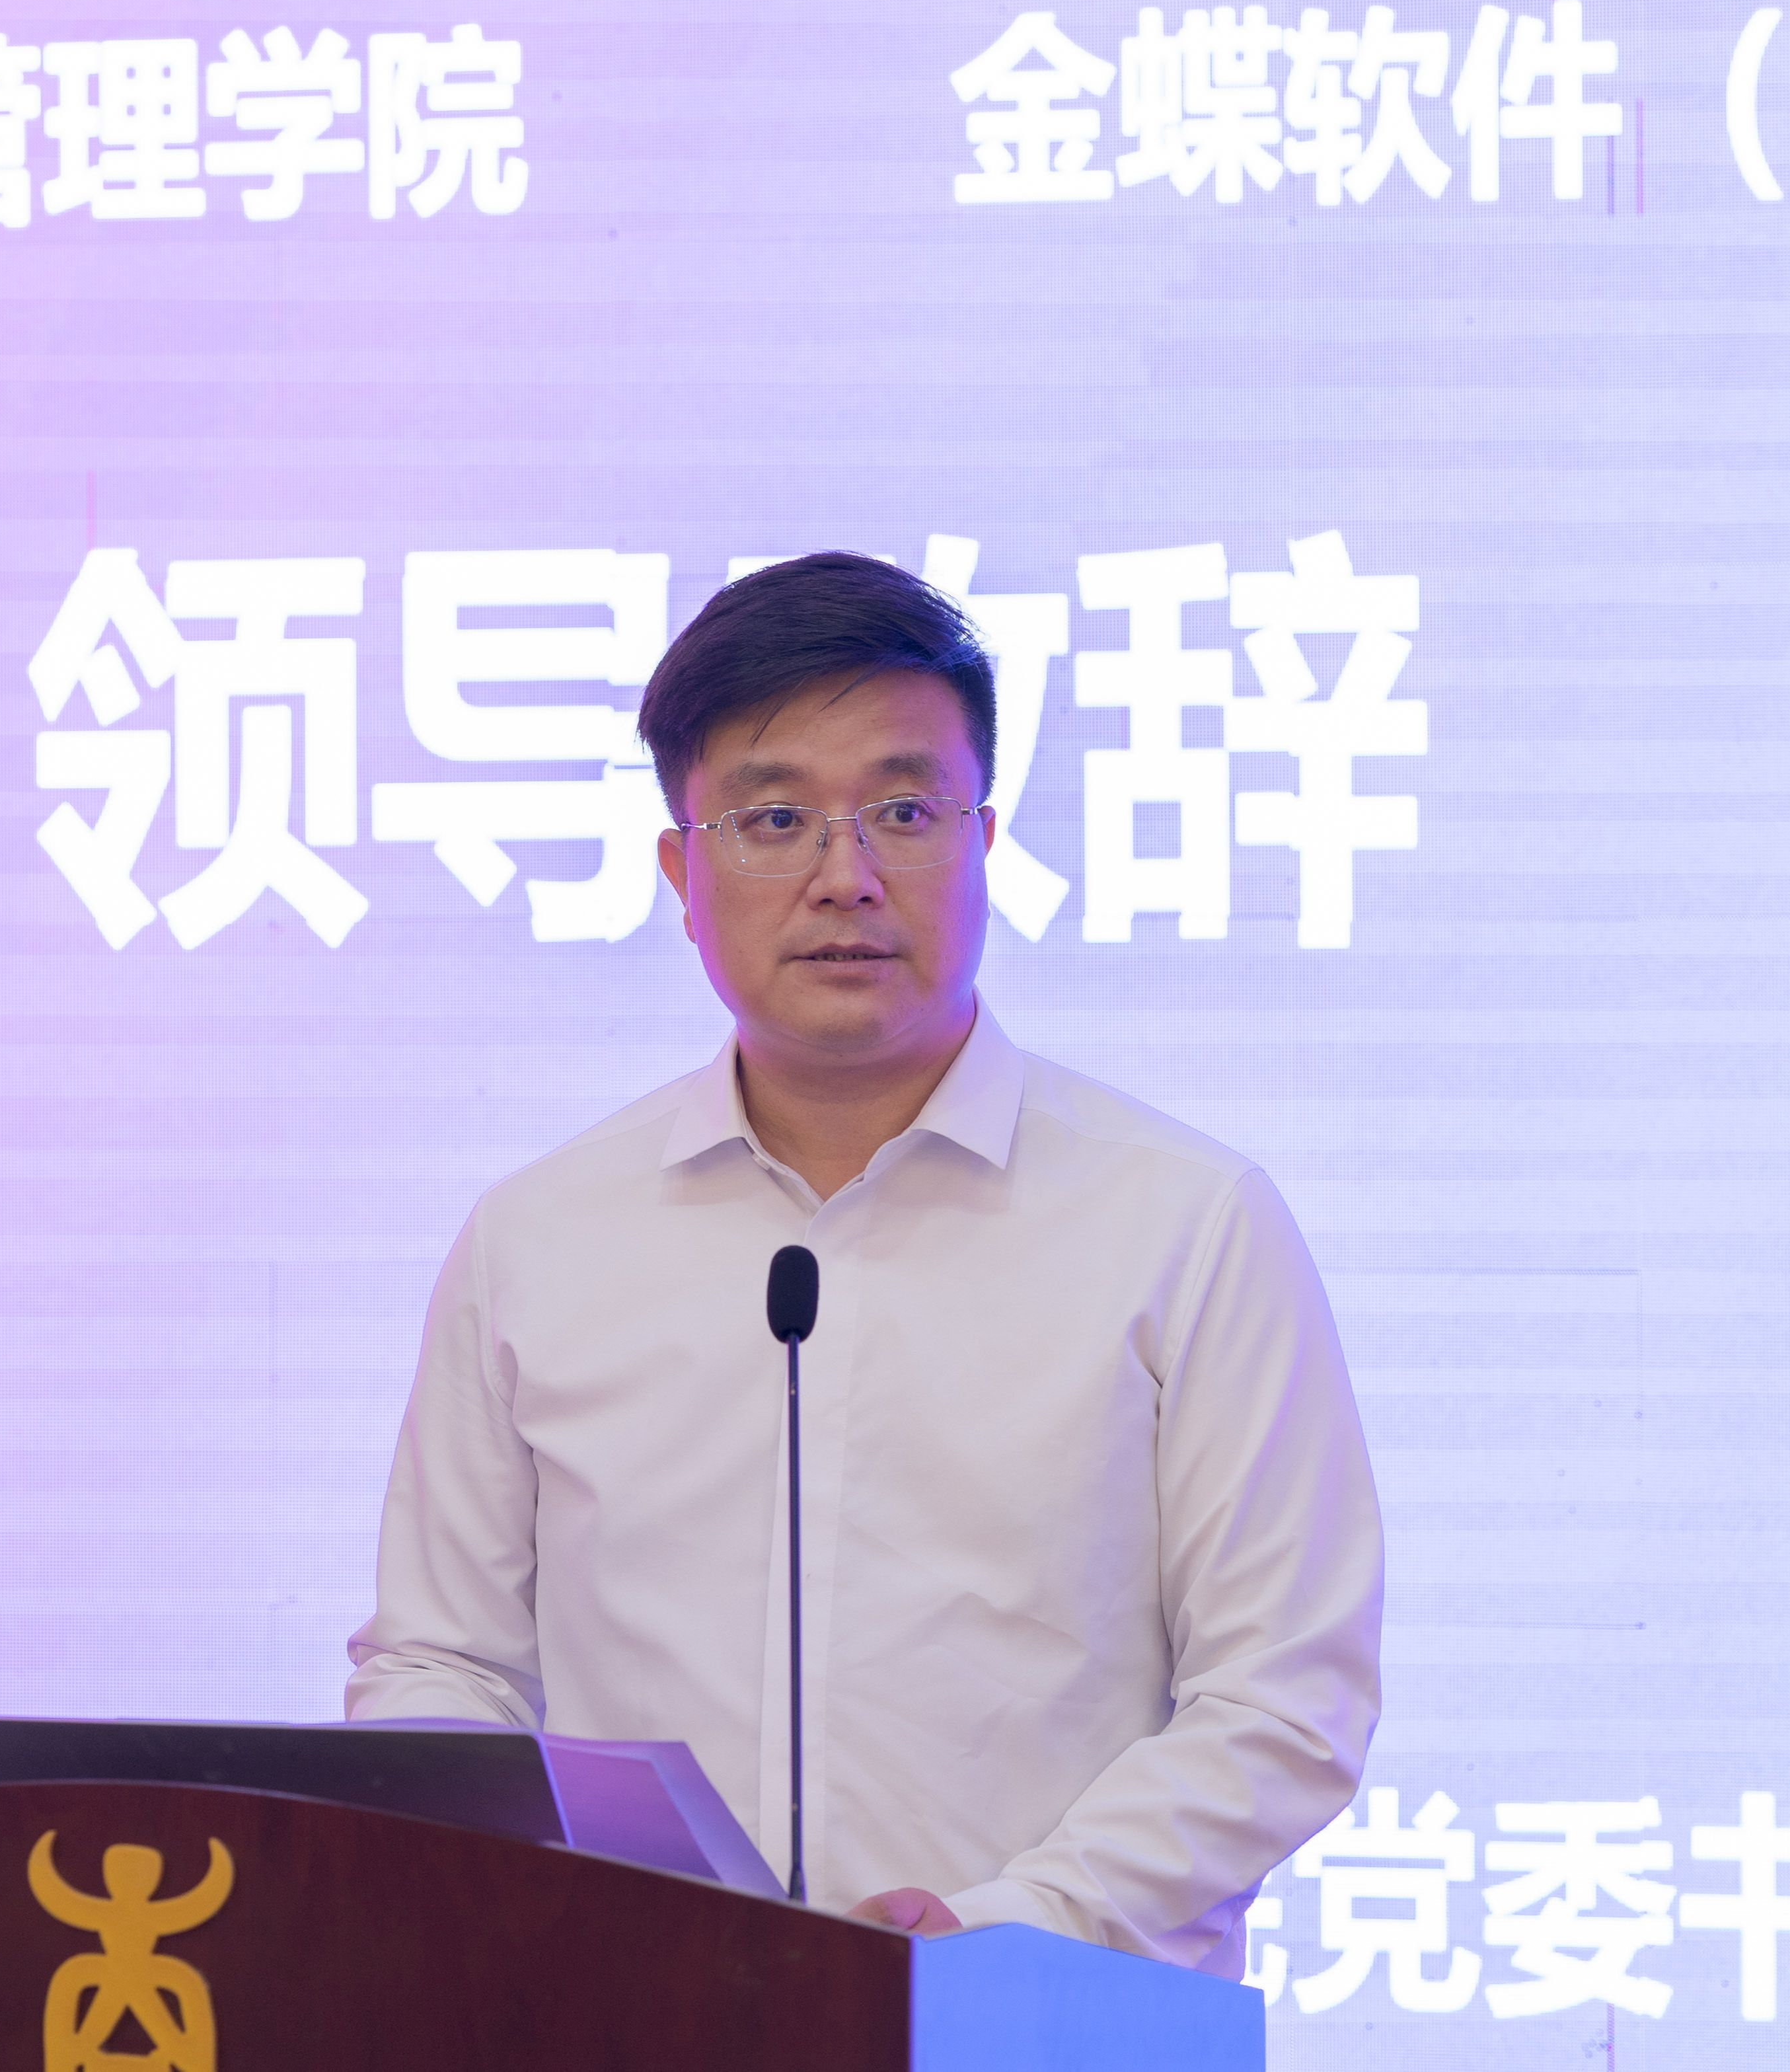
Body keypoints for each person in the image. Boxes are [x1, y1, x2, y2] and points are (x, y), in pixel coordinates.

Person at [343, 551, 1381, 1969]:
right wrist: (539, 1905)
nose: (846, 876)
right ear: (681, 873)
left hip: (1049, 2023)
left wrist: (1003, 1925)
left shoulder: (1185, 1223)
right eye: (775, 818)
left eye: (902, 810)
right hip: (641, 2017)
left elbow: (1282, 1697)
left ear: (983, 841)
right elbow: (440, 1661)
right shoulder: (538, 1239)